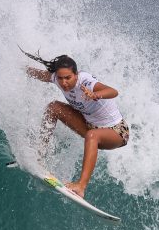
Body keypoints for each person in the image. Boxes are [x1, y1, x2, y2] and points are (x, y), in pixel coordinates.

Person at [25, 52, 129, 198]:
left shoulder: (85, 82)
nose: (64, 82)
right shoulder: (57, 78)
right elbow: (41, 75)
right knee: (54, 107)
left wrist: (96, 95)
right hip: (89, 125)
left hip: (116, 131)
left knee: (92, 135)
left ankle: (81, 186)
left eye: (68, 78)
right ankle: (39, 157)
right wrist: (20, 68)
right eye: (60, 78)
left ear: (76, 74)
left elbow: (113, 91)